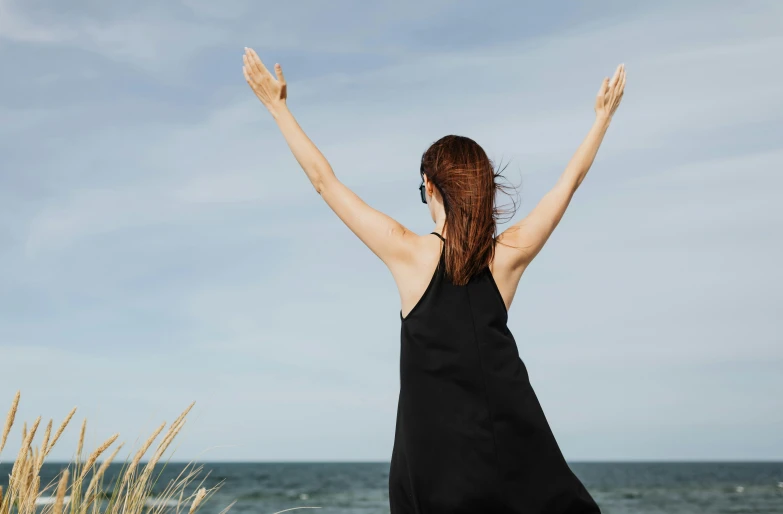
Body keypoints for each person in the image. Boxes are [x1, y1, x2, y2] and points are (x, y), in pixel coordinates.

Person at [243, 47, 625, 513]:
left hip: (437, 472)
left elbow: (326, 182)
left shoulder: (408, 252)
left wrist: (277, 108)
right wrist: (602, 119)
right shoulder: (505, 258)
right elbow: (568, 184)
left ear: (429, 186)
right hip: (516, 461)